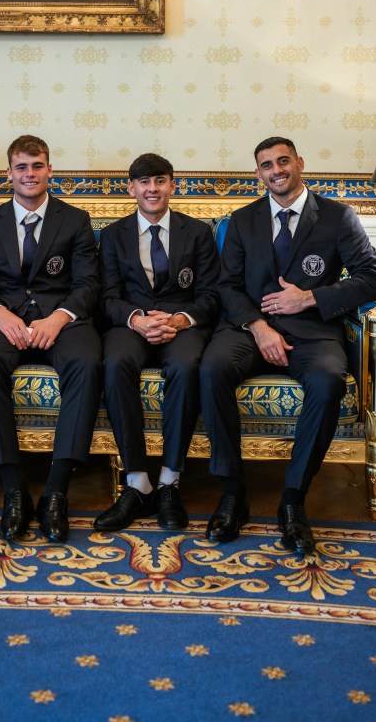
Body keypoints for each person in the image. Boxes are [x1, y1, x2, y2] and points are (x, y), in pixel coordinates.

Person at [200, 136, 376, 553]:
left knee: (326, 382)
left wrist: (311, 298)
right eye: (266, 165)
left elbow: (374, 278)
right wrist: (257, 326)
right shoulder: (241, 220)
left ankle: (293, 501)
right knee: (211, 370)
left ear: (300, 163)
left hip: (313, 331)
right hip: (249, 330)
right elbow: (225, 287)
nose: (276, 170)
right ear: (258, 173)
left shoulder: (338, 216)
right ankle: (233, 494)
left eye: (283, 161)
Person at [0, 134, 101, 543]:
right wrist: (0, 314)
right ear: (8, 173)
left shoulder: (75, 220)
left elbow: (88, 285)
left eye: (37, 165)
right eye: (21, 167)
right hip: (4, 319)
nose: (30, 174)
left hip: (62, 319)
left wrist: (57, 318)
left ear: (49, 170)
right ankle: (15, 491)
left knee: (88, 362)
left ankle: (57, 491)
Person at [94, 153, 220, 532]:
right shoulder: (113, 235)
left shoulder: (197, 232)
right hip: (131, 324)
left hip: (183, 324)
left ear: (172, 185)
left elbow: (213, 294)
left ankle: (169, 480)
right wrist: (137, 319)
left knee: (185, 367)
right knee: (115, 364)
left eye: (160, 181)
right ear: (130, 188)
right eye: (144, 182)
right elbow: (106, 297)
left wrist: (181, 320)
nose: (153, 189)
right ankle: (137, 482)